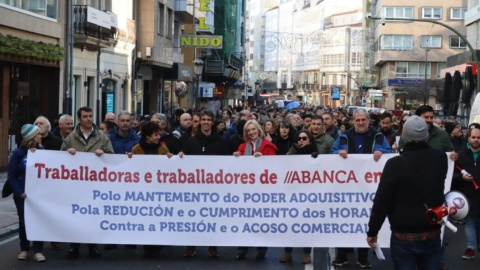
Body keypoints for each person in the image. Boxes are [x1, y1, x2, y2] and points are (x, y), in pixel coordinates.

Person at [367, 115, 448, 269]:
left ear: (404, 136)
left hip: (404, 234)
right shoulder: (440, 158)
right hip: (431, 229)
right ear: (426, 135)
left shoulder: (395, 164)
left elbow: (382, 201)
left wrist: (373, 230)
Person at [331, 108, 393, 268]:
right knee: (344, 221)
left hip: (369, 189)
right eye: (357, 120)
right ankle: (342, 255)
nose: (360, 123)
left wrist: (382, 151)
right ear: (353, 121)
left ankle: (363, 257)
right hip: (346, 188)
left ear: (368, 120)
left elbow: (389, 153)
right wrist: (339, 152)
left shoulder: (378, 136)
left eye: (363, 120)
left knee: (366, 221)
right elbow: (332, 153)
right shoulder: (343, 136)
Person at [61, 107, 114, 259]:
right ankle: (73, 247)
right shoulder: (70, 138)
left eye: (91, 116)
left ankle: (93, 246)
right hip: (76, 185)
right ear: (79, 119)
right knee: (75, 216)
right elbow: (58, 160)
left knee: (93, 216)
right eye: (85, 116)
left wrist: (104, 154)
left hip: (95, 185)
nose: (89, 119)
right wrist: (67, 153)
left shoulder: (102, 138)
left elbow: (112, 157)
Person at [179, 110, 228, 258]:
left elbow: (227, 163)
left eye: (209, 120)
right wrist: (180, 156)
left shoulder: (221, 141)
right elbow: (183, 161)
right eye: (203, 120)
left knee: (213, 217)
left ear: (212, 122)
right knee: (193, 216)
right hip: (195, 188)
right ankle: (191, 246)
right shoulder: (191, 141)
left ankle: (213, 247)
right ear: (199, 122)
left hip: (214, 187)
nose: (206, 122)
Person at [233, 120, 277, 260]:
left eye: (253, 129)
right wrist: (236, 158)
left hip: (262, 190)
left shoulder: (268, 146)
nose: (251, 132)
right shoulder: (241, 147)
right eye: (248, 131)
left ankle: (261, 248)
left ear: (259, 130)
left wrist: (263, 160)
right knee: (244, 220)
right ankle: (242, 248)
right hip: (246, 190)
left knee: (260, 219)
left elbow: (274, 168)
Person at [130, 121, 171, 257]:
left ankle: (156, 244)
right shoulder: (137, 149)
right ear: (147, 136)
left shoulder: (163, 150)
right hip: (142, 191)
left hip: (159, 190)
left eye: (158, 135)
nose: (158, 137)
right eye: (155, 135)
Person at [8, 124, 46, 262]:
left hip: (37, 195)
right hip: (22, 195)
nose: (41, 136)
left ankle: (38, 250)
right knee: (24, 222)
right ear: (32, 137)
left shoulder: (43, 151)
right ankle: (24, 249)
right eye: (38, 134)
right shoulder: (18, 153)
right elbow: (11, 176)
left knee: (38, 221)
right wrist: (19, 192)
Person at [281, 130, 317, 264]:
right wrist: (293, 152)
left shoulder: (315, 153)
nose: (301, 141)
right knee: (290, 223)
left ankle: (306, 253)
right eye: (299, 138)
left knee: (307, 224)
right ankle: (288, 252)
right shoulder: (293, 151)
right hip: (292, 193)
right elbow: (284, 164)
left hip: (308, 194)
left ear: (310, 140)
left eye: (304, 138)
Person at [452, 127, 480, 260]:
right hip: (467, 194)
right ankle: (470, 247)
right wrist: (461, 178)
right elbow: (452, 174)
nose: (476, 140)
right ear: (468, 138)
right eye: (473, 137)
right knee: (469, 221)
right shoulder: (461, 155)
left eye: (478, 138)